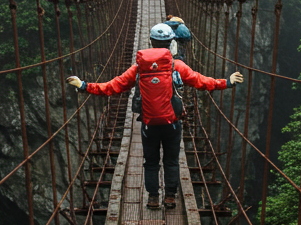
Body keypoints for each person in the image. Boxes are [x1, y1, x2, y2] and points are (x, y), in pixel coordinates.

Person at [67, 23, 242, 210]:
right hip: (172, 124)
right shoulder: (177, 66)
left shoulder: (139, 68)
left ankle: (152, 198)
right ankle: (170, 198)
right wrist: (227, 83)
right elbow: (202, 82)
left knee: (151, 162)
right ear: (170, 43)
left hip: (149, 125)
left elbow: (112, 86)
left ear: (151, 42)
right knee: (171, 161)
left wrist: (85, 85)